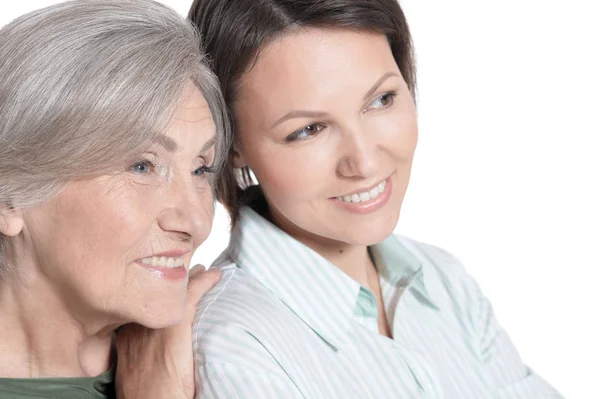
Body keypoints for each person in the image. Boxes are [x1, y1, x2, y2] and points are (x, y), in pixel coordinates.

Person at [188, 0, 563, 398]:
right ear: (231, 146)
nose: (364, 162)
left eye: (381, 100)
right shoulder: (237, 352)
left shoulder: (443, 281)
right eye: (309, 129)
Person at [0, 1, 229, 398]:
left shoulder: (220, 352)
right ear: (11, 198)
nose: (196, 222)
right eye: (142, 166)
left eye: (200, 168)